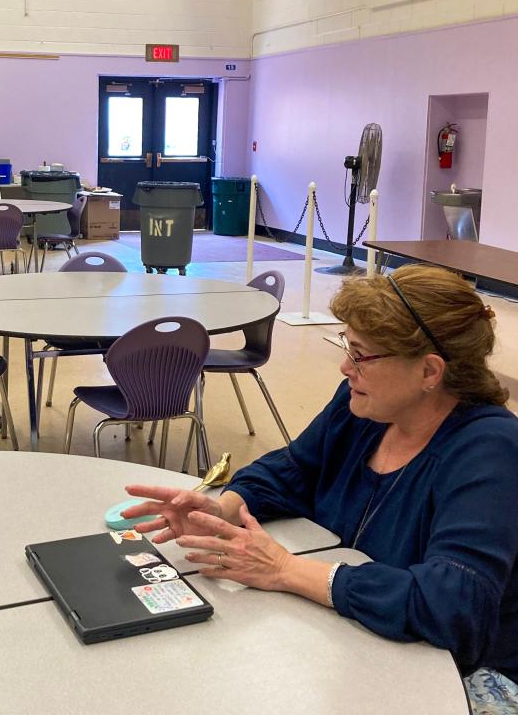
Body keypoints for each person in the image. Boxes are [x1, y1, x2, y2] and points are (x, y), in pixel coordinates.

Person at [123, 265, 518, 710]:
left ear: (429, 371)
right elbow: (294, 469)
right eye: (346, 346)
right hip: (353, 645)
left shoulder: (490, 451)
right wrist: (222, 510)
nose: (346, 366)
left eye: (362, 354)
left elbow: (453, 606)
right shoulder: (363, 410)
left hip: (460, 676)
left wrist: (286, 570)